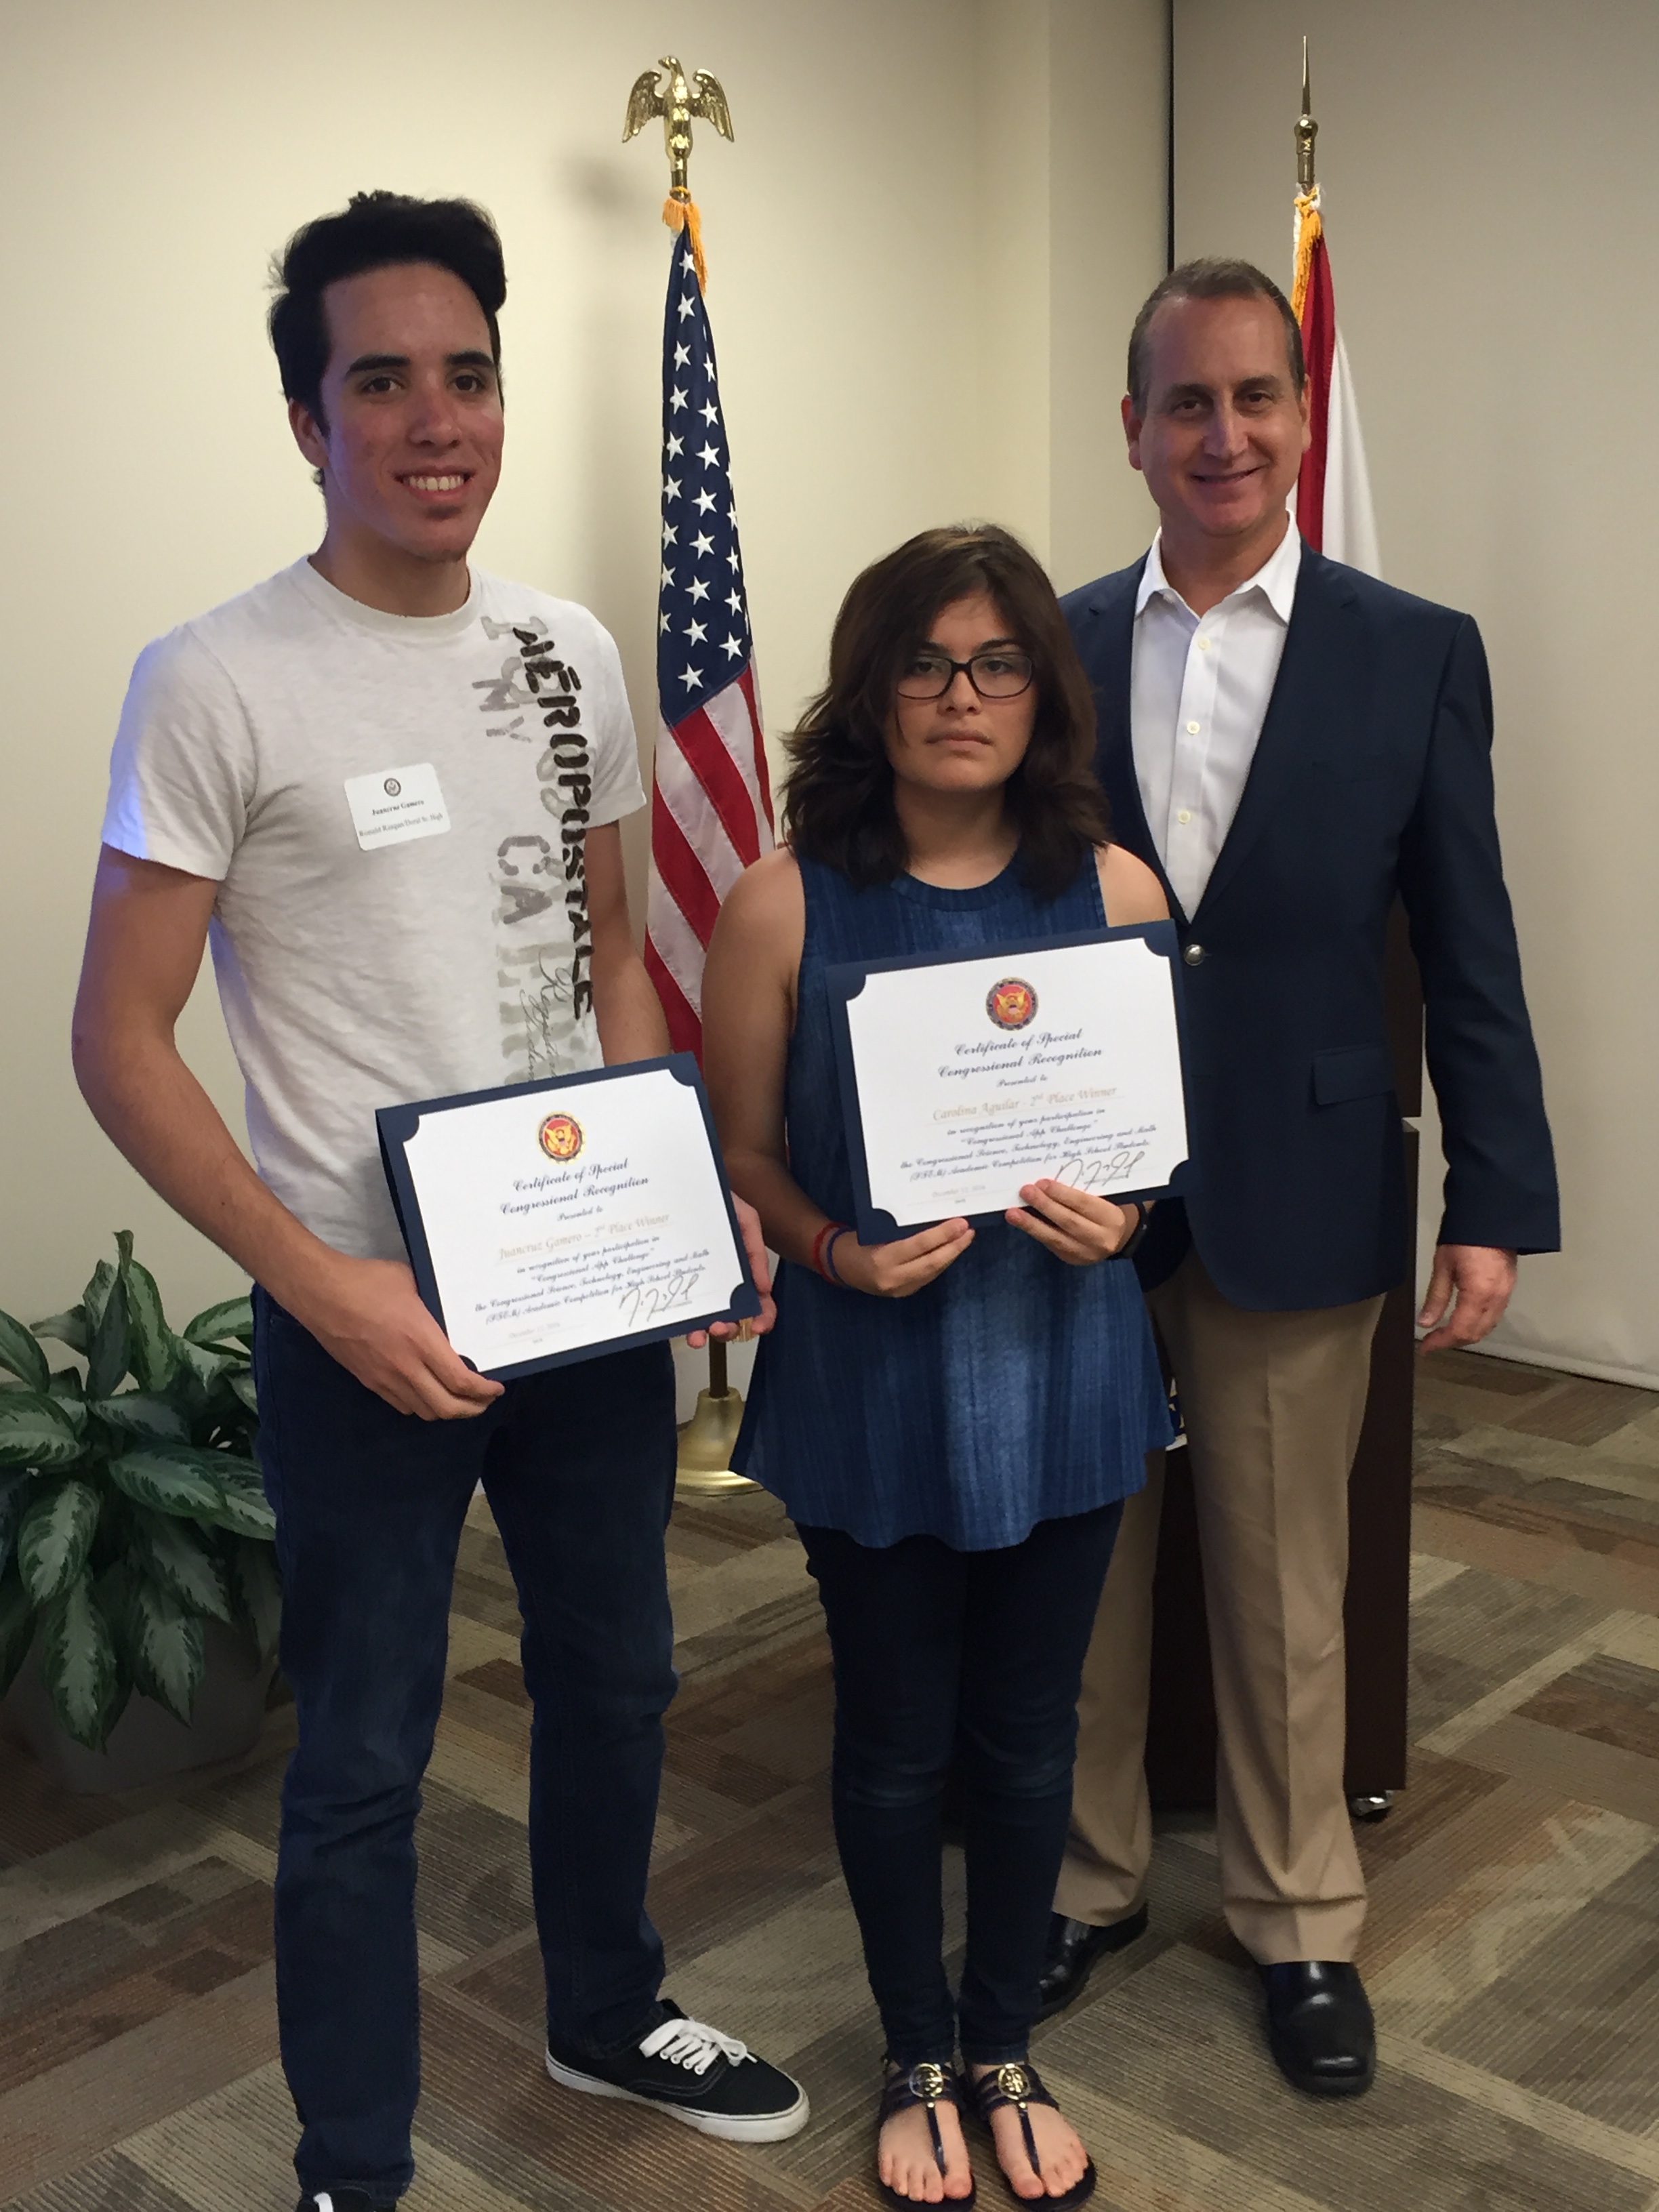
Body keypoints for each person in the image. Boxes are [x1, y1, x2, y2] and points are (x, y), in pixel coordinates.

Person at [71, 190, 808, 2212]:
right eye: (378, 379)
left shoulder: (565, 648)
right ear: (307, 420)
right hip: (363, 1322)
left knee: (621, 1675)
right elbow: (118, 1041)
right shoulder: (214, 679)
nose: (433, 417)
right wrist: (319, 1287)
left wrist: (688, 1189)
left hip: (579, 1283)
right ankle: (354, 2163)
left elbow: (616, 967)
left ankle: (604, 2000)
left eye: (466, 374)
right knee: (367, 1764)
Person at [1038, 259, 1559, 2097]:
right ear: (1134, 431)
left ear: (1300, 418)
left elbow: (1469, 945)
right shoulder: (1048, 642)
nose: (1226, 434)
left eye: (1259, 398)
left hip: (1309, 1170)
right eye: (1188, 402)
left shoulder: (1411, 646)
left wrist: (1496, 1192)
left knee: (1284, 1571)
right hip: (1074, 1199)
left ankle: (1298, 1920)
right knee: (1080, 1554)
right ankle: (1084, 1881)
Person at [703, 524, 1174, 2207]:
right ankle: (914, 2052)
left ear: (1045, 692)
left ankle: (1003, 2048)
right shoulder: (783, 902)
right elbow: (746, 1153)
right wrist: (832, 1249)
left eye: (997, 664)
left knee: (1034, 1735)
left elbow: (1147, 1149)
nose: (960, 696)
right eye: (924, 662)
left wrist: (1124, 1219)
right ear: (872, 689)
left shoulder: (1115, 892)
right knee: (899, 1739)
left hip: (1065, 1368)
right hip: (871, 1379)